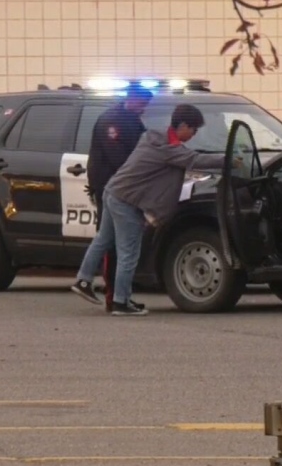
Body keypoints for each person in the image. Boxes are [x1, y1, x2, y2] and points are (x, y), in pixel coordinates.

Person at [70, 104, 224, 316]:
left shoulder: (154, 136)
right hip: (127, 201)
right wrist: (229, 161)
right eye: (194, 129)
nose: (194, 134)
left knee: (103, 240)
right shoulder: (169, 148)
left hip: (114, 191)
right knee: (129, 253)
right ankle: (120, 302)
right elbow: (194, 160)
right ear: (184, 125)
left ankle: (83, 280)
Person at [86, 86, 153, 312]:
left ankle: (121, 296)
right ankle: (113, 295)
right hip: (113, 190)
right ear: (132, 99)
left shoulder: (133, 120)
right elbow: (121, 160)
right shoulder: (112, 121)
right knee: (114, 246)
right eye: (142, 103)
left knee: (114, 242)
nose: (144, 109)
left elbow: (145, 147)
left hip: (126, 191)